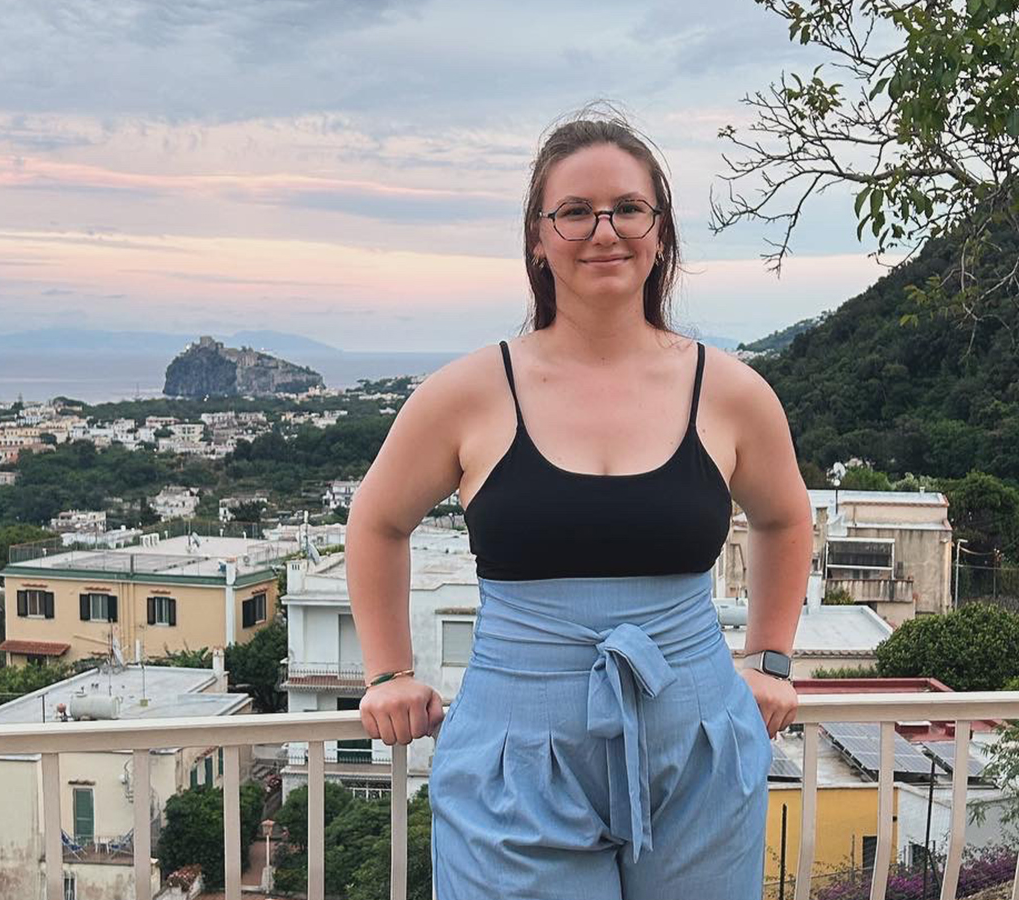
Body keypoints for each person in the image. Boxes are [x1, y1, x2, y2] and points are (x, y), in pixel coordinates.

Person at [345, 108, 813, 900]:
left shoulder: (731, 391)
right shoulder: (466, 392)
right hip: (512, 750)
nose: (605, 230)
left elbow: (785, 516)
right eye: (575, 212)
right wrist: (389, 670)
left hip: (697, 741)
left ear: (660, 232)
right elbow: (377, 522)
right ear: (537, 236)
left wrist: (768, 658)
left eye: (629, 208)